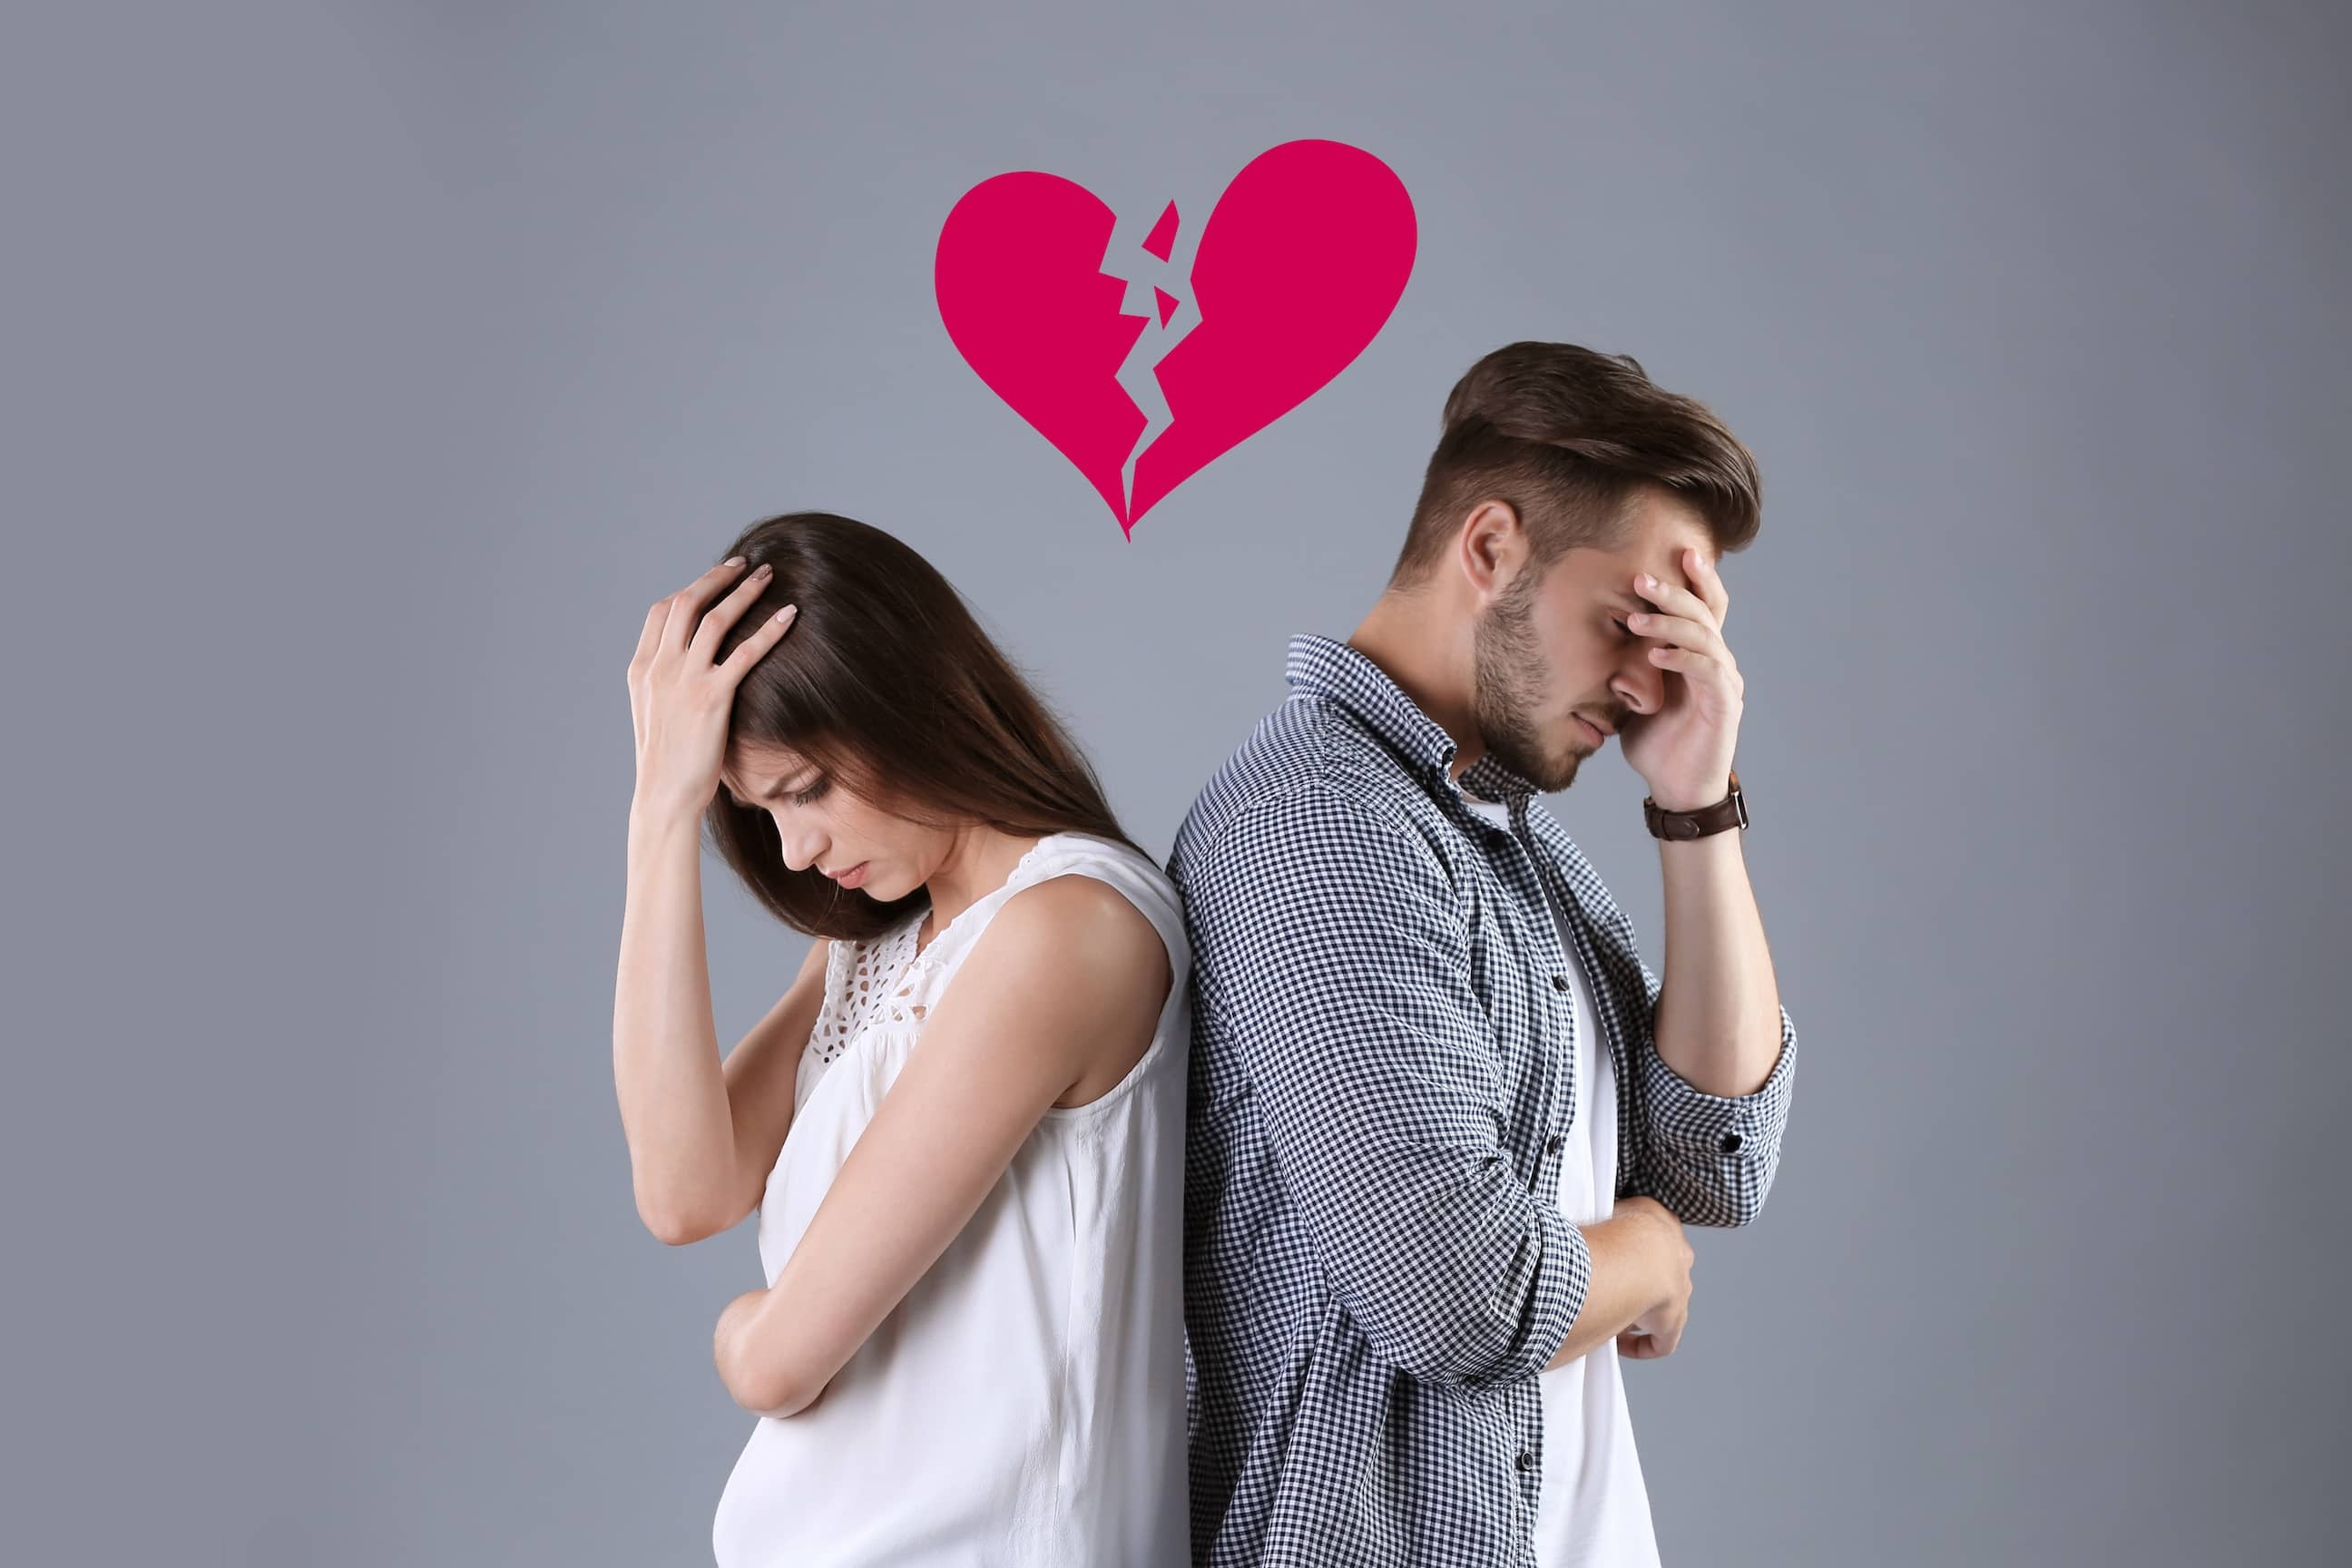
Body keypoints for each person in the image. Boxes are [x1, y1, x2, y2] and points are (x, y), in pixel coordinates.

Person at [1168, 342, 1802, 1566]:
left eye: (1676, 635)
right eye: (1629, 620)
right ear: (1492, 548)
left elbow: (1715, 1162)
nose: (1647, 678)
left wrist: (1697, 799)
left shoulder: (1508, 841)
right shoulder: (1321, 820)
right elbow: (1453, 1290)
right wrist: (1647, 1255)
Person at [612, 511, 1192, 1567]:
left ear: (906, 705)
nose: (795, 851)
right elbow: (683, 1191)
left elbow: (779, 1366)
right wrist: (660, 815)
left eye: (808, 791)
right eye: (756, 809)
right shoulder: (876, 947)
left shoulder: (1067, 928)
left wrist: (737, 1330)